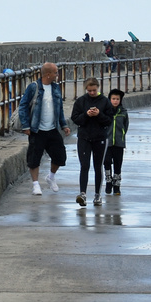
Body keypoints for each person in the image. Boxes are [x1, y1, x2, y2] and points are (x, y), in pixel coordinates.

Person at [18, 62, 69, 196]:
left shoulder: (56, 88)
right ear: (48, 74)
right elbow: (22, 106)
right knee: (34, 158)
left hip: (52, 128)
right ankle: (35, 185)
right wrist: (26, 126)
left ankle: (51, 177)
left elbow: (60, 108)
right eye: (56, 72)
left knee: (60, 157)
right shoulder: (33, 87)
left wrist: (64, 125)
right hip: (37, 129)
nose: (57, 75)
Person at [70, 76, 112, 206]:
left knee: (98, 166)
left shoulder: (105, 101)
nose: (92, 93)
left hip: (99, 137)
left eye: (94, 90)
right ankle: (82, 193)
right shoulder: (81, 101)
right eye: (89, 91)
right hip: (84, 137)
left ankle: (98, 195)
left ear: (98, 88)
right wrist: (86, 115)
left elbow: (109, 120)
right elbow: (75, 119)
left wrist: (99, 114)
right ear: (86, 90)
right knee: (84, 165)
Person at [103, 88, 129, 193]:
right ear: (109, 99)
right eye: (113, 99)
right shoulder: (105, 112)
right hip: (107, 143)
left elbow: (125, 126)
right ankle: (108, 181)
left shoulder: (123, 112)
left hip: (119, 143)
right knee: (107, 161)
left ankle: (117, 184)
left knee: (118, 163)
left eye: (117, 99)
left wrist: (121, 135)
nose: (115, 101)